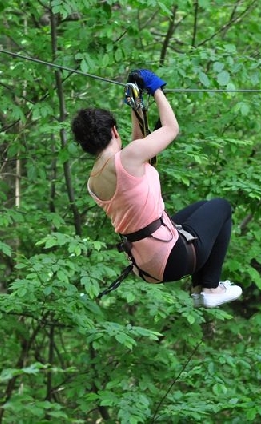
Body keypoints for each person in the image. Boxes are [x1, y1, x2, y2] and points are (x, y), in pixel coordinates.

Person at [70, 69, 242, 308]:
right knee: (222, 207)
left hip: (146, 264)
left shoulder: (94, 181)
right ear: (114, 132)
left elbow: (139, 147)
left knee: (203, 208)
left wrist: (137, 106)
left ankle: (198, 289)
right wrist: (157, 89)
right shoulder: (127, 158)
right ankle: (210, 287)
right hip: (171, 258)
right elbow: (171, 129)